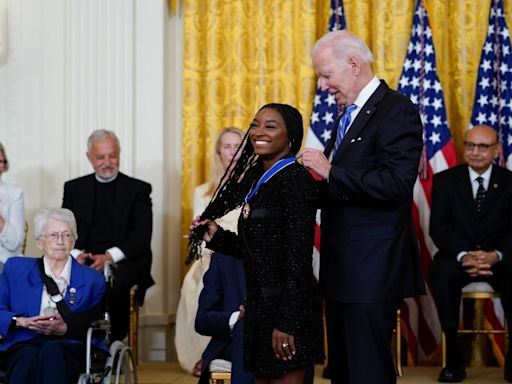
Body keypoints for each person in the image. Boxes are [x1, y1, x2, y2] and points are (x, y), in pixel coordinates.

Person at [299, 30, 424, 384]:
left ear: (353, 64)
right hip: (343, 268)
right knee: (343, 369)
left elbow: (397, 185)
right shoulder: (351, 113)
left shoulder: (395, 110)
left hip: (372, 268)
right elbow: (340, 188)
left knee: (367, 370)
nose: (323, 86)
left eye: (326, 75)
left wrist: (331, 170)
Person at [189, 103, 324, 383]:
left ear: (290, 139)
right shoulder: (259, 183)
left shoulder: (294, 180)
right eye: (255, 124)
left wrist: (287, 322)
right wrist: (217, 237)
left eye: (270, 126)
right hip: (260, 311)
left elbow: (298, 258)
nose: (258, 132)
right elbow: (262, 249)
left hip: (288, 315)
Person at [429, 124, 512, 383]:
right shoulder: (445, 180)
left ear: (496, 150)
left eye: (483, 146)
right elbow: (438, 228)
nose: (475, 152)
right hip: (458, 256)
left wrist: (495, 255)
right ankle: (453, 358)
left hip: (498, 258)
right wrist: (465, 255)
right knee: (441, 273)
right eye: (470, 145)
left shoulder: (509, 182)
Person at [62, 129, 154, 341]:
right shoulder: (74, 188)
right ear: (89, 157)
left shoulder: (138, 189)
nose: (107, 162)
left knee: (115, 280)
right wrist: (76, 254)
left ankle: (113, 340)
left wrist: (109, 257)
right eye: (100, 157)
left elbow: (141, 237)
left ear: (119, 154)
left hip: (124, 260)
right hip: (84, 257)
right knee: (68, 276)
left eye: (112, 155)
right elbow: (66, 228)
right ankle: (76, 339)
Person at [0, 207, 105, 384]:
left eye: (66, 235)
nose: (60, 241)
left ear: (74, 241)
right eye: (53, 235)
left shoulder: (92, 278)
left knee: (52, 351)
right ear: (40, 242)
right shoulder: (16, 269)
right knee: (27, 356)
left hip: (69, 344)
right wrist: (19, 321)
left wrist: (65, 327)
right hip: (24, 341)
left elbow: (95, 320)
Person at [175, 127, 243, 375]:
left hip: (243, 258)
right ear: (218, 152)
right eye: (227, 146)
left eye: (238, 145)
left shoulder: (254, 188)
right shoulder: (203, 192)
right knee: (196, 287)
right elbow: (199, 234)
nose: (233, 152)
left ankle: (220, 351)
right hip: (211, 257)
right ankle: (205, 355)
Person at [195, 252, 254, 384]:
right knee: (246, 326)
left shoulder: (289, 253)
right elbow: (202, 319)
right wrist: (237, 317)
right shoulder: (223, 259)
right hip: (235, 342)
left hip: (281, 335)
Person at [0, 142, 26, 272]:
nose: (0, 166)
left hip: (4, 260)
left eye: (1, 162)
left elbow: (15, 243)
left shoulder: (14, 194)